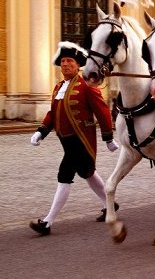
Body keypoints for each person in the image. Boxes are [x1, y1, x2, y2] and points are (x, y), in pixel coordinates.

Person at [29, 42, 119, 235]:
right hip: (65, 140)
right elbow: (53, 113)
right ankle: (110, 205)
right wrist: (41, 131)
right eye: (62, 61)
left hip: (81, 140)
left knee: (64, 175)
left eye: (69, 61)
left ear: (78, 65)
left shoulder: (87, 85)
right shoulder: (58, 87)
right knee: (88, 173)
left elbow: (102, 111)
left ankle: (47, 221)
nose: (65, 64)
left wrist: (108, 138)